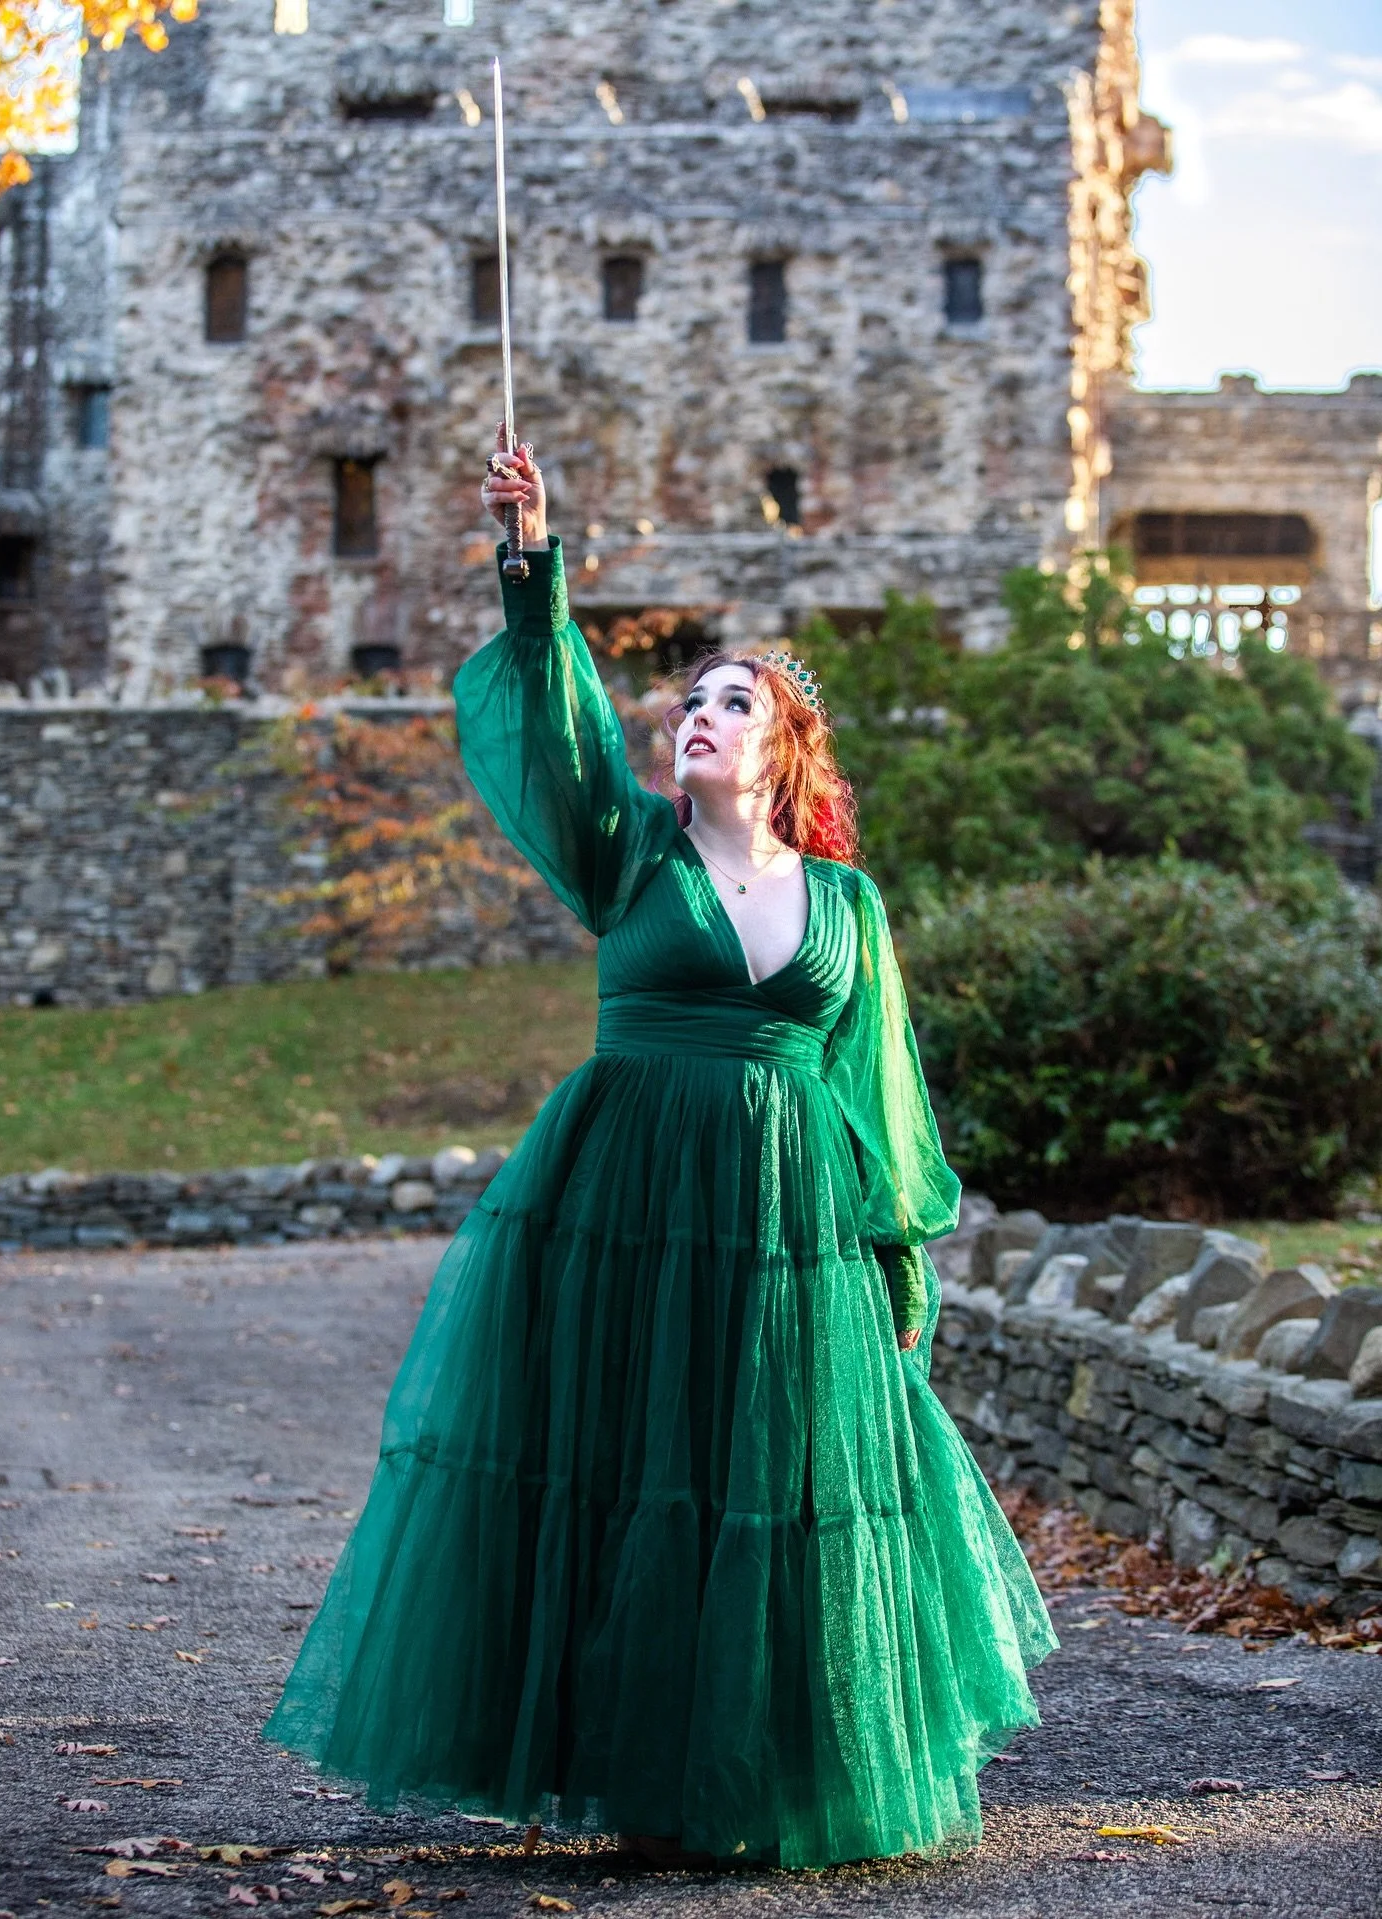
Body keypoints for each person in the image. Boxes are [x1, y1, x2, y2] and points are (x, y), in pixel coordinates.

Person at [263, 431, 1056, 1870]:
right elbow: (558, 735)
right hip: (626, 1195)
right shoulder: (628, 852)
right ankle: (631, 1769)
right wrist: (531, 566)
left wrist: (896, 1247)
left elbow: (880, 1088)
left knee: (780, 1482)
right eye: (687, 697)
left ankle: (773, 1773)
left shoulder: (849, 907)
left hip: (789, 1216)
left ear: (785, 746)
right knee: (634, 1473)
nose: (697, 713)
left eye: (731, 700)